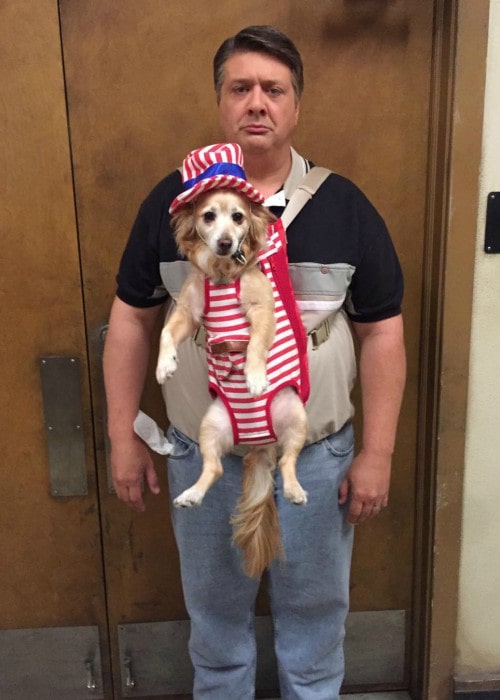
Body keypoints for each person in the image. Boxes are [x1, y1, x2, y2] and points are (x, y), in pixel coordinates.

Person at [103, 25, 406, 700]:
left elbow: (383, 333)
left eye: (274, 89)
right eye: (241, 88)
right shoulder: (173, 206)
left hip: (316, 457)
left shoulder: (344, 207)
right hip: (202, 455)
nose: (257, 103)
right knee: (215, 625)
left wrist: (377, 454)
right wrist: (123, 433)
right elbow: (131, 318)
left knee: (315, 622)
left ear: (296, 106)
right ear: (221, 102)